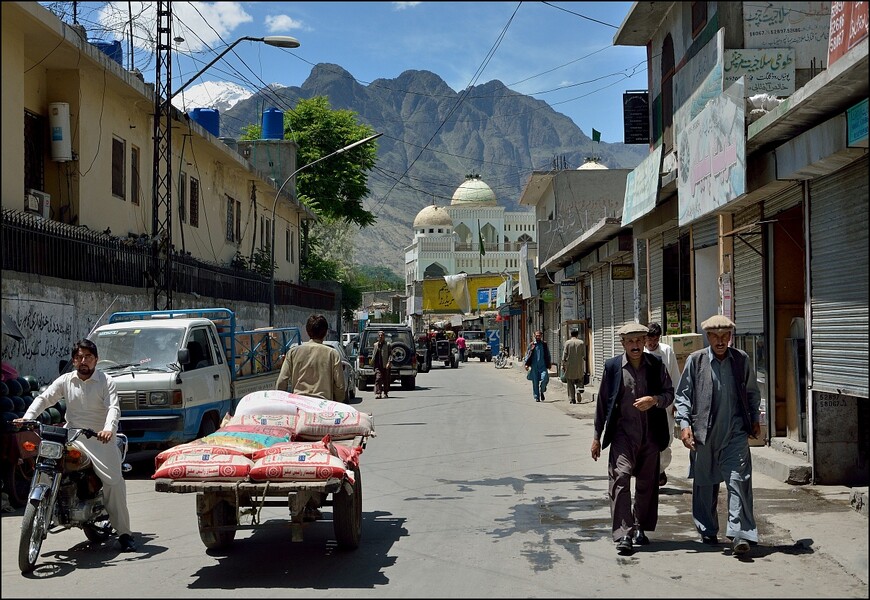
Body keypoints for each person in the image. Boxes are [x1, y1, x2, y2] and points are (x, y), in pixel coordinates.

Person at [15, 339, 136, 551]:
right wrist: (28, 417)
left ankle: (124, 533)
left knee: (113, 483)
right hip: (73, 438)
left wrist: (108, 429)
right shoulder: (66, 380)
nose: (83, 361)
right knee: (48, 465)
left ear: (96, 360)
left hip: (100, 439)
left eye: (88, 357)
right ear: (73, 360)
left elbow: (113, 409)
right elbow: (44, 399)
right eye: (79, 357)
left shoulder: (105, 382)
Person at [674, 314, 762, 556]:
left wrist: (755, 419)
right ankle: (707, 528)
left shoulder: (741, 360)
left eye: (725, 336)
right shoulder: (696, 360)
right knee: (705, 483)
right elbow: (683, 396)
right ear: (708, 337)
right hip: (705, 432)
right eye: (715, 336)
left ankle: (739, 534)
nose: (720, 341)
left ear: (731, 337)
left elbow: (753, 392)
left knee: (738, 481)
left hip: (735, 432)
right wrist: (684, 425)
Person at [590, 322, 674, 555]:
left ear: (646, 341)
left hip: (650, 435)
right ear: (623, 344)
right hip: (622, 436)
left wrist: (654, 400)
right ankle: (624, 533)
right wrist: (597, 437)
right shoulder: (613, 367)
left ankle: (640, 528)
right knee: (621, 479)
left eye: (639, 340)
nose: (635, 345)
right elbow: (602, 404)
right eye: (630, 341)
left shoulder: (656, 365)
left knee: (647, 485)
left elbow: (669, 394)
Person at [276, 314, 346, 402]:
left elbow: (282, 381)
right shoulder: (332, 354)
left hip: (299, 405)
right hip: (323, 406)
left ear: (307, 331)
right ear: (325, 332)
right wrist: (337, 403)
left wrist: (282, 402)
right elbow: (340, 385)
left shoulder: (293, 353)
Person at [644, 322, 681, 487]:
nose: (651, 344)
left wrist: (676, 402)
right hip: (645, 404)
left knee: (665, 441)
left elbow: (675, 377)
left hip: (665, 402)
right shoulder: (640, 352)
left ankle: (660, 468)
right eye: (649, 340)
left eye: (655, 340)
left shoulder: (666, 351)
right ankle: (650, 473)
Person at [524, 330, 551, 402]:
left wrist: (549, 363)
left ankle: (542, 390)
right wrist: (526, 364)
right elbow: (527, 354)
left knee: (545, 379)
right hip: (534, 366)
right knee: (535, 382)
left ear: (541, 336)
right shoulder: (531, 345)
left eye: (539, 335)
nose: (538, 337)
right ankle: (536, 396)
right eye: (537, 335)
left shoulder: (544, 344)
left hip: (543, 366)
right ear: (534, 336)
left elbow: (548, 354)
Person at [561, 329, 586, 404]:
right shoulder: (581, 342)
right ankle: (578, 390)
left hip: (569, 365)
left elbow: (564, 354)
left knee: (570, 382)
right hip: (579, 365)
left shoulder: (567, 343)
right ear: (577, 334)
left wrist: (563, 363)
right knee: (579, 379)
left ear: (570, 334)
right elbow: (583, 355)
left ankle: (572, 399)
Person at [371, 330, 392, 399]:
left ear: (384, 336)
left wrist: (389, 362)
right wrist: (372, 362)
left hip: (385, 365)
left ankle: (385, 393)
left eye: (382, 335)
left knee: (385, 379)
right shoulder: (375, 345)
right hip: (377, 365)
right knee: (378, 378)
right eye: (379, 336)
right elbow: (374, 354)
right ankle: (378, 393)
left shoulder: (387, 345)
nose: (380, 337)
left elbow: (390, 355)